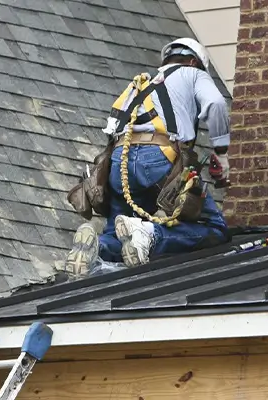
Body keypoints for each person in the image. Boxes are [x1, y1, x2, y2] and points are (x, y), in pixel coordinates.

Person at [64, 38, 232, 276]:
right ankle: (150, 234)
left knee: (117, 236)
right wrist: (222, 153)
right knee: (215, 228)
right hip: (157, 160)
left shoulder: (142, 84)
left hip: (117, 164)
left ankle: (95, 249)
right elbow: (215, 103)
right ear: (193, 61)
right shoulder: (192, 73)